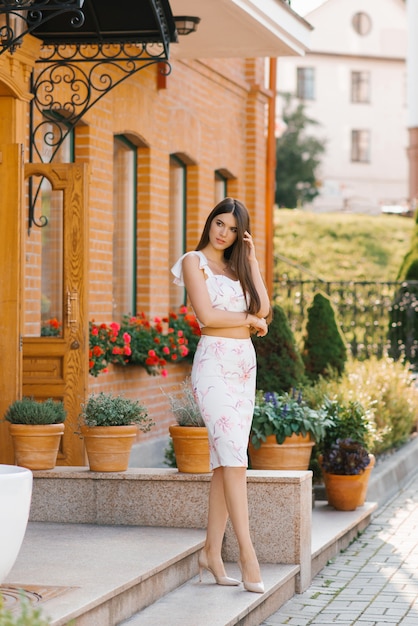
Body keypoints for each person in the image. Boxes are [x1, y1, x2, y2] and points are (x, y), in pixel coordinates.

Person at [171, 197, 270, 593]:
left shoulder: (237, 268)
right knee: (234, 456)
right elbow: (209, 316)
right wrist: (248, 319)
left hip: (243, 368)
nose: (222, 232)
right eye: (218, 223)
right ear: (210, 222)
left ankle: (211, 552)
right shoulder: (193, 261)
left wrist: (254, 264)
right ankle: (247, 554)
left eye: (231, 228)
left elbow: (265, 308)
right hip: (213, 365)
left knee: (224, 460)